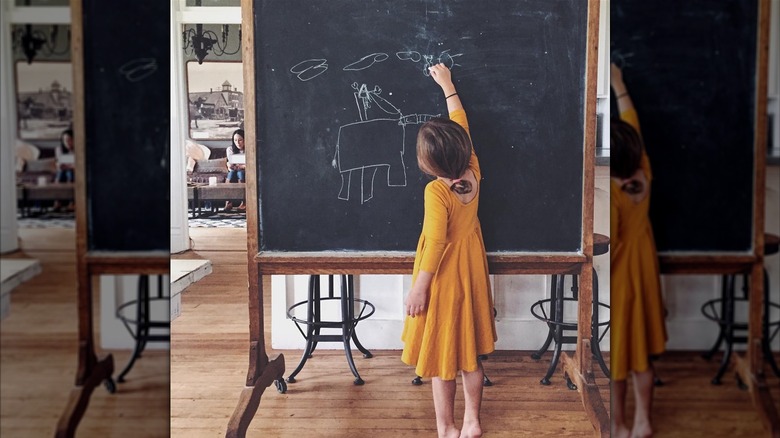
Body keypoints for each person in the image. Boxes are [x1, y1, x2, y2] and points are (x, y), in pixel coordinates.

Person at [401, 63, 497, 438]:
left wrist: (420, 288)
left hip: (441, 278)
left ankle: (447, 427)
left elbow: (436, 243)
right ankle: (473, 421)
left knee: (444, 359)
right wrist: (448, 86)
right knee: (470, 354)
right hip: (471, 268)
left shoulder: (436, 191)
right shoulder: (473, 169)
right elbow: (461, 124)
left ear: (429, 164)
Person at [609, 63, 668, 438]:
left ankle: (619, 423)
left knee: (617, 358)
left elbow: (610, 249)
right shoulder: (643, 172)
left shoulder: (613, 196)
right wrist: (619, 83)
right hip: (646, 272)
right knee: (642, 353)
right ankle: (644, 421)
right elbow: (633, 125)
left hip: (619, 281)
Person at [224, 128, 246, 211]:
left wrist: (242, 166)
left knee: (240, 173)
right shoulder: (230, 149)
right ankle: (228, 202)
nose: (238, 143)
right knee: (232, 173)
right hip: (233, 170)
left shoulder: (249, 149)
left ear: (244, 139)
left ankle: (244, 202)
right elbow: (230, 164)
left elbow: (251, 165)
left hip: (244, 171)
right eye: (235, 140)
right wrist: (229, 165)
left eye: (240, 140)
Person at [54, 128, 75, 211]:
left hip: (75, 171)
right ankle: (58, 201)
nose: (67, 142)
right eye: (64, 140)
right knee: (62, 172)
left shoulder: (79, 150)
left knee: (70, 172)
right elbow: (57, 163)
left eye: (69, 140)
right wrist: (58, 165)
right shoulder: (59, 150)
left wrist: (70, 167)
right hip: (62, 172)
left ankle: (72, 202)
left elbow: (80, 166)